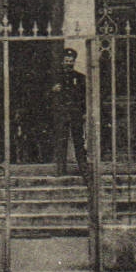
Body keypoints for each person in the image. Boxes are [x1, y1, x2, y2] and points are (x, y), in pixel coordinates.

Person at [49, 47, 89, 180]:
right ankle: (61, 169)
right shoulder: (55, 77)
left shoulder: (80, 77)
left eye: (71, 61)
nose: (69, 63)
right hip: (61, 113)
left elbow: (84, 97)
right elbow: (45, 97)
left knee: (78, 140)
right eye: (66, 60)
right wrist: (53, 91)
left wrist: (84, 112)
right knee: (61, 140)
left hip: (75, 113)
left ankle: (83, 168)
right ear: (62, 61)